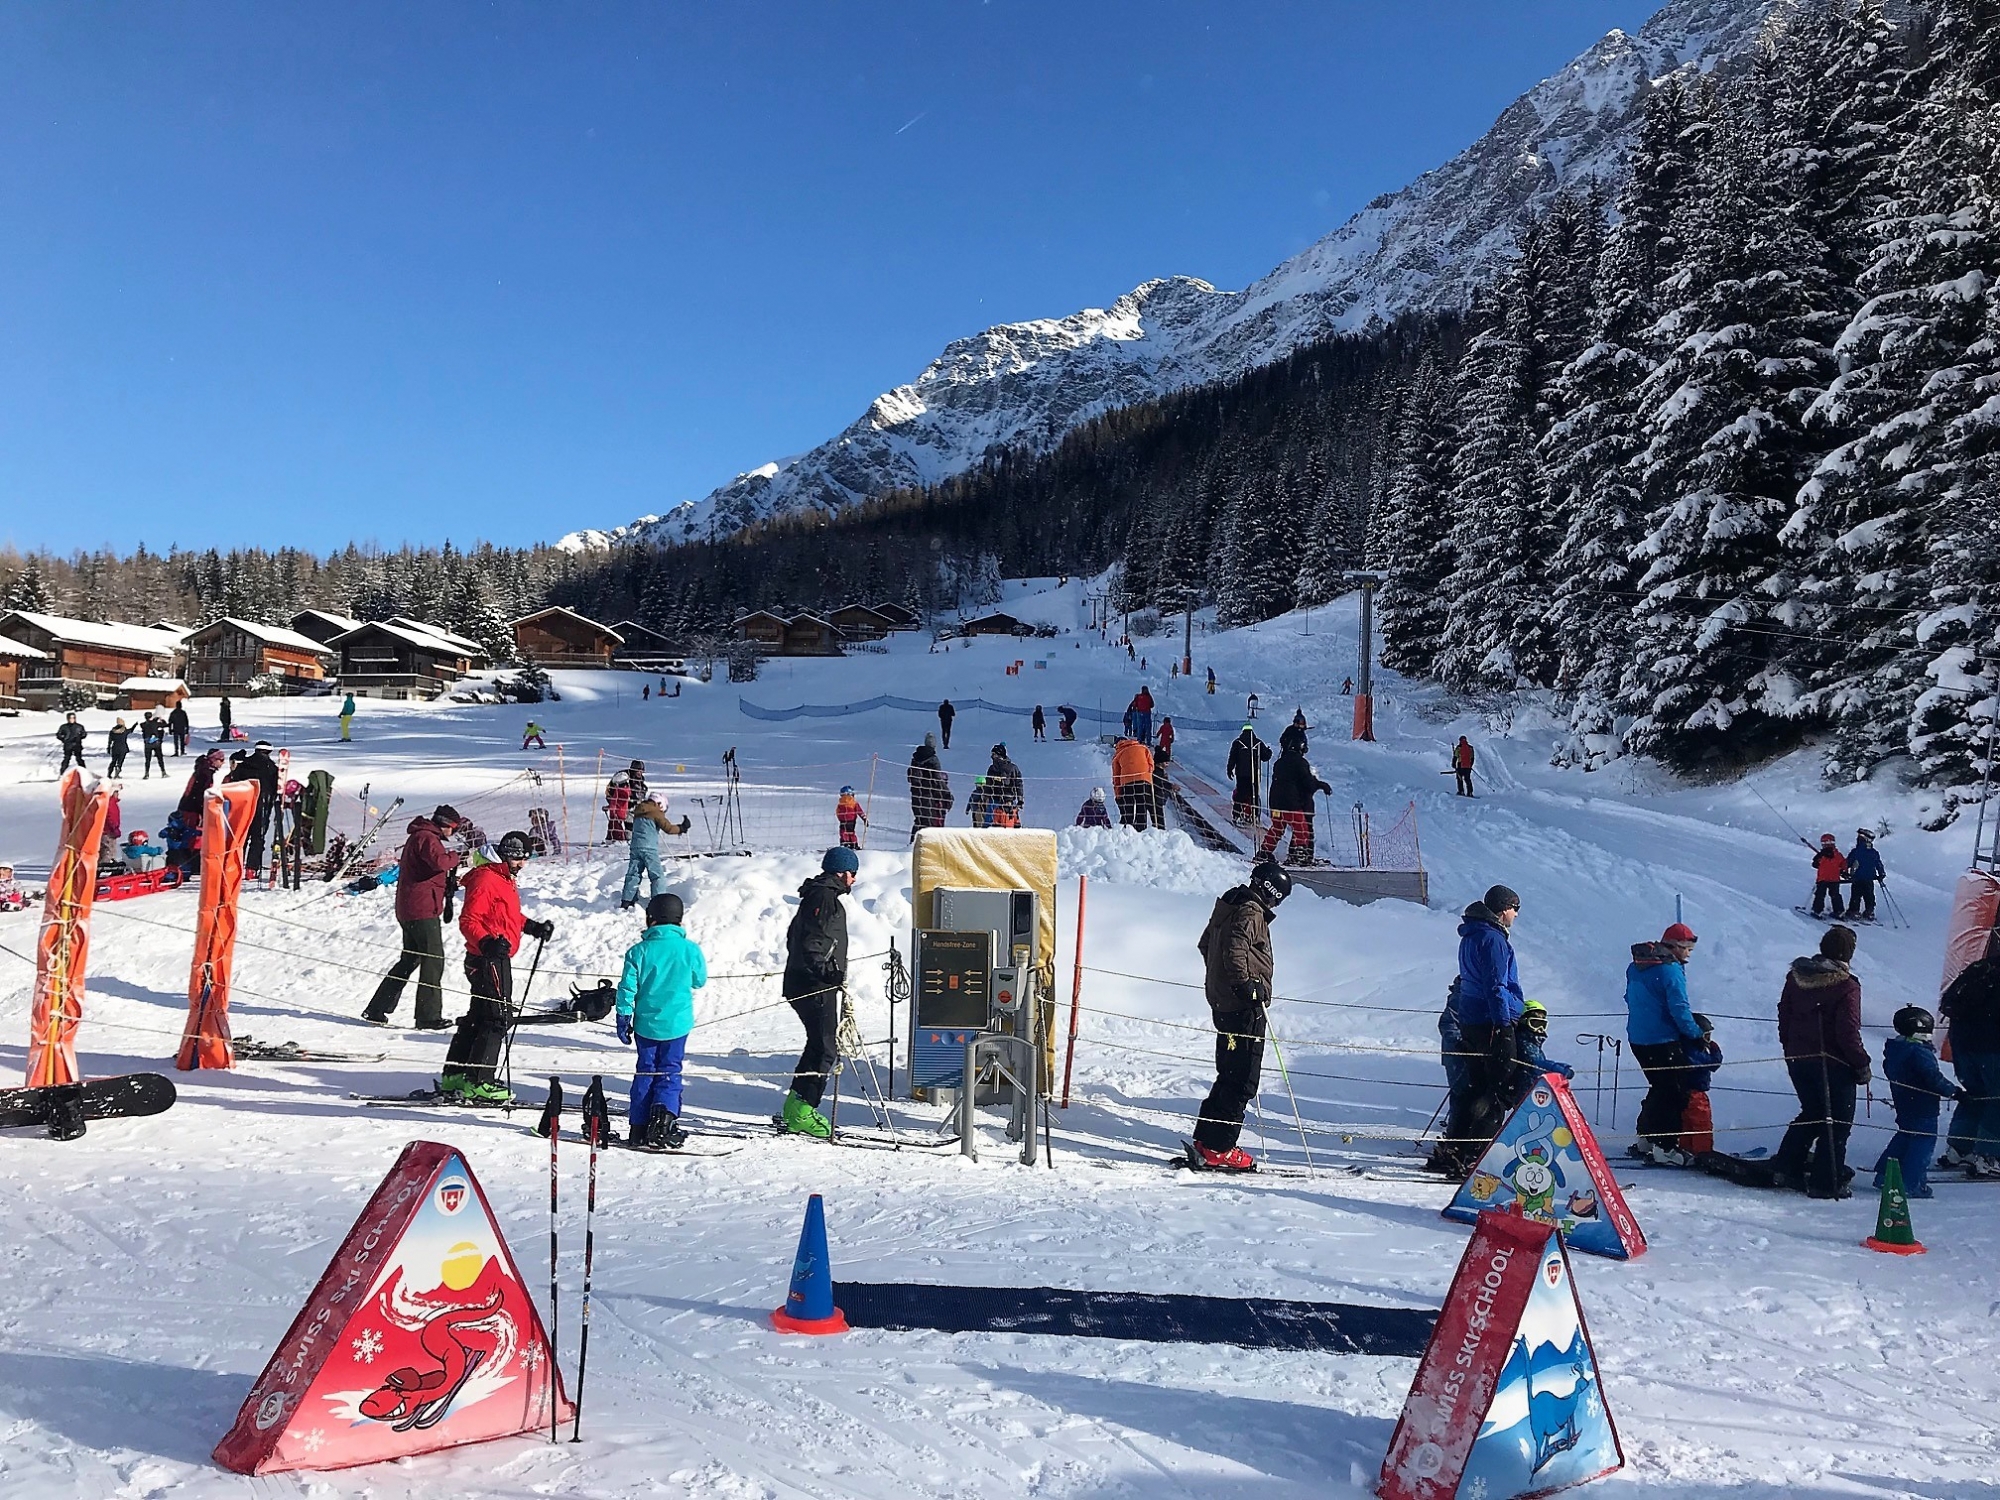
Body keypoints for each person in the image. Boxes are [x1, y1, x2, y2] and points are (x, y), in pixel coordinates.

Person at [1189, 857, 1291, 1171]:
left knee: (1229, 1073)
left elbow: (1206, 944)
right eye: (1279, 897)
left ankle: (1207, 1139)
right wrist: (1246, 985)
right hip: (1244, 1008)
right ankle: (1220, 1147)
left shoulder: (1231, 904)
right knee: (1243, 1080)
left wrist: (1221, 982)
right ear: (1272, 891)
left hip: (1224, 1005)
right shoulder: (1250, 912)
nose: (1278, 903)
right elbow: (1234, 948)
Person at [442, 830, 554, 1104]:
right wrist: (487, 942)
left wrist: (531, 927)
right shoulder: (486, 878)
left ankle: (457, 1074)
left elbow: (506, 914)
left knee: (479, 1016)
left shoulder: (502, 877)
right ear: (507, 855)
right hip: (487, 958)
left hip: (493, 956)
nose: (523, 865)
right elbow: (469, 920)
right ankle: (480, 1081)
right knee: (497, 1018)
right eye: (520, 859)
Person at [1431, 885, 1525, 1176]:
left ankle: (1456, 1148)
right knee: (1497, 1089)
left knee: (1474, 1087)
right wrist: (1504, 1025)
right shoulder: (1492, 939)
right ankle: (1474, 1156)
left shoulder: (1472, 934)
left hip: (1473, 1018)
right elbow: (1495, 985)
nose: (1516, 915)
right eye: (1514, 908)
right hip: (1491, 1020)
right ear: (1501, 909)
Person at [1771, 924, 1868, 1198]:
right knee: (1836, 1123)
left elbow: (1784, 1013)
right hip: (1834, 1062)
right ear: (1849, 954)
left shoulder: (1797, 976)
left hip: (1799, 1057)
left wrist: (1789, 1046)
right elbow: (1848, 1031)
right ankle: (1826, 1181)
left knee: (1813, 1112)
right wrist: (1860, 1063)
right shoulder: (1846, 986)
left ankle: (1787, 1165)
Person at [615, 892, 708, 1149]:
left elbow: (626, 988)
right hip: (677, 1025)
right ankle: (664, 1124)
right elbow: (699, 980)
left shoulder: (638, 951)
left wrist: (623, 1016)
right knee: (669, 1071)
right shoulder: (690, 949)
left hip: (647, 1025)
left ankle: (638, 1127)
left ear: (651, 919)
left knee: (646, 1071)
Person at [364, 806, 465, 1028]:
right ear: (446, 824)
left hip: (412, 908)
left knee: (410, 959)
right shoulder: (427, 838)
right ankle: (427, 1016)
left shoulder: (422, 835)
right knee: (433, 959)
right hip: (421, 910)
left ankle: (377, 1008)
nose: (454, 833)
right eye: (454, 828)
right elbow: (440, 862)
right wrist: (455, 856)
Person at [779, 847, 855, 1138]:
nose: (854, 880)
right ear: (841, 872)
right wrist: (824, 970)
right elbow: (813, 938)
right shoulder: (824, 897)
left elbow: (795, 936)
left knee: (817, 1044)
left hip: (809, 981)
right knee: (825, 1048)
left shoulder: (820, 895)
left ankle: (795, 1107)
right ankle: (804, 1110)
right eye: (852, 873)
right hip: (814, 984)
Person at [1623, 922, 1706, 1164]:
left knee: (1659, 1088)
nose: (1689, 953)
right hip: (1663, 1039)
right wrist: (1695, 1033)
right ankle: (1665, 1147)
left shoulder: (1636, 966)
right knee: (1674, 1092)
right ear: (1674, 946)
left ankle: (1647, 1139)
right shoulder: (1670, 970)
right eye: (1687, 948)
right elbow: (1679, 1008)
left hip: (1638, 1038)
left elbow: (1629, 997)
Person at [1872, 1005, 1961, 1198]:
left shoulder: (1897, 1049)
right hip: (1922, 1105)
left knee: (1905, 1135)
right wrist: (1953, 1092)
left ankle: (1884, 1175)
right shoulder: (1918, 1052)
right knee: (1923, 1141)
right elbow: (1932, 1077)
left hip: (1904, 1101)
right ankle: (1911, 1183)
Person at [1939, 933, 2000, 1176]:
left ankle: (1959, 1147)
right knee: (1997, 1099)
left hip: (1962, 1044)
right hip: (1993, 1047)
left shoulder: (1981, 968)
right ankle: (1990, 1155)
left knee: (1975, 1094)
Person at [1261, 742, 1330, 864]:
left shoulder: (1279, 762)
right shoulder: (1301, 763)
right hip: (1291, 804)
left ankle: (1264, 852)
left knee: (1277, 828)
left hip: (1275, 803)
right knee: (1301, 828)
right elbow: (1308, 784)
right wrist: (1321, 785)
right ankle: (1299, 855)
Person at [620, 791, 690, 909]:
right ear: (659, 804)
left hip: (635, 847)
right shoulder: (655, 812)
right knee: (657, 876)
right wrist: (682, 828)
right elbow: (668, 828)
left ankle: (627, 900)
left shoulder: (639, 811)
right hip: (649, 848)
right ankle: (658, 901)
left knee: (634, 874)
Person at [225, 740, 282, 875]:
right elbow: (275, 789)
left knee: (241, 836)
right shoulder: (271, 768)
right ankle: (251, 869)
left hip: (242, 804)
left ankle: (234, 867)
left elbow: (234, 783)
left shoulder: (243, 765)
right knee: (258, 837)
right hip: (261, 805)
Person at [1511, 1000, 1573, 1105]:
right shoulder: (1522, 1041)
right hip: (1523, 1092)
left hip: (1530, 1092)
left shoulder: (1532, 1043)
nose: (1540, 1029)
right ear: (1523, 1022)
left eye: (1543, 1025)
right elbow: (1535, 1063)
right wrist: (1556, 1069)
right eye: (1535, 1024)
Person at [1679, 1013, 1722, 1158]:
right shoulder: (1693, 1051)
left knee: (1687, 1122)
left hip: (1684, 1091)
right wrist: (1715, 1050)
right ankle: (1702, 1152)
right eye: (1706, 1036)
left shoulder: (1684, 1048)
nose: (1708, 1041)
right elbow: (1714, 1064)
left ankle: (1687, 1148)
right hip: (1696, 1094)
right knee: (1701, 1123)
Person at [1226, 724, 1270, 827]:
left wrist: (1229, 769)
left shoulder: (1237, 743)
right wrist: (1269, 751)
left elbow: (1232, 757)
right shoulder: (1258, 742)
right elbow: (1266, 757)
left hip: (1241, 774)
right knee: (1253, 795)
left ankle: (1236, 815)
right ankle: (1253, 816)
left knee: (1241, 795)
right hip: (1255, 775)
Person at [907, 735, 949, 836]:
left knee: (919, 820)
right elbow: (938, 779)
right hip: (929, 795)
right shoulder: (933, 760)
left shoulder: (915, 758)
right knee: (929, 823)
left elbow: (910, 777)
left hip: (916, 794)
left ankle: (912, 844)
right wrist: (946, 794)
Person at [1111, 736, 1157, 829]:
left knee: (1129, 807)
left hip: (1127, 782)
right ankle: (1141, 828)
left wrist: (1118, 794)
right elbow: (1151, 765)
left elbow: (1116, 778)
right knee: (1142, 805)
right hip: (1144, 780)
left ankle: (1128, 828)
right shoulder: (1143, 748)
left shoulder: (1118, 754)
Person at [1845, 829, 1885, 921]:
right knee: (1869, 895)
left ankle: (1854, 911)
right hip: (1869, 878)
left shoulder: (1856, 851)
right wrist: (1881, 873)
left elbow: (1848, 862)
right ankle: (1869, 911)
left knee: (1856, 895)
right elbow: (1878, 864)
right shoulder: (1874, 852)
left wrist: (1844, 872)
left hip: (1857, 878)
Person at [1810, 833, 1847, 917]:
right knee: (1835, 895)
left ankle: (1817, 911)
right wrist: (1843, 871)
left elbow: (1815, 864)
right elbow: (1843, 864)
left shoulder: (1821, 855)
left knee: (1820, 895)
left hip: (1822, 879)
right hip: (1834, 879)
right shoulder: (1838, 855)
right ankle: (1839, 911)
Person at [985, 743, 1024, 823]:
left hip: (1008, 801)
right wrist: (986, 796)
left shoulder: (1012, 768)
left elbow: (1018, 784)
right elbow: (988, 784)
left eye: (994, 754)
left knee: (1008, 823)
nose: (992, 757)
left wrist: (1020, 799)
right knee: (989, 825)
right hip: (994, 799)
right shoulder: (991, 769)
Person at [140, 713, 168, 779]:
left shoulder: (143, 724)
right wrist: (161, 720)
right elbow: (165, 725)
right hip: (156, 743)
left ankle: (146, 773)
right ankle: (163, 772)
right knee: (160, 758)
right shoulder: (155, 724)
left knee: (147, 760)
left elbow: (143, 725)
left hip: (147, 743)